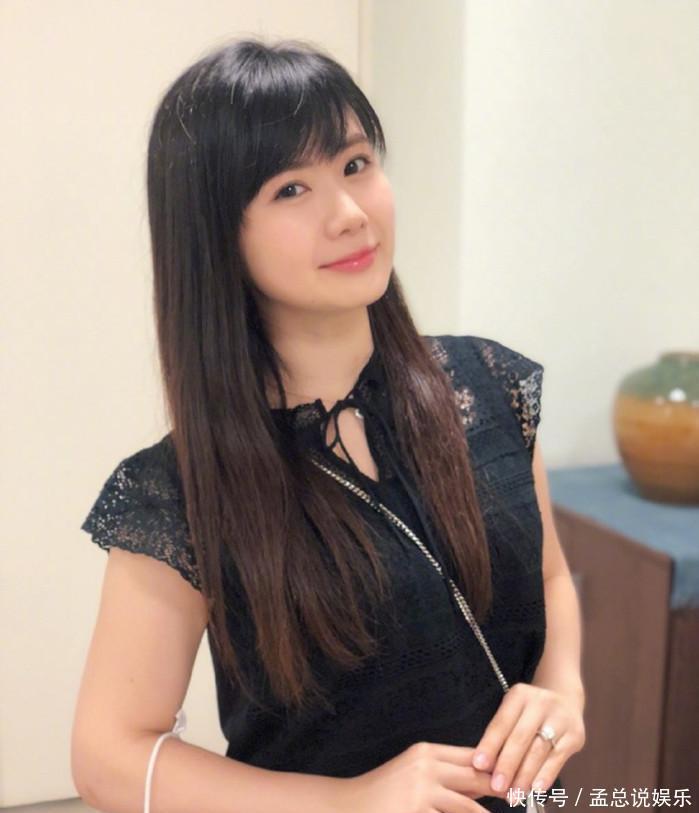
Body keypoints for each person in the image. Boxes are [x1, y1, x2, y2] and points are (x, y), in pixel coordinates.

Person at [71, 36, 586, 813]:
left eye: (355, 164)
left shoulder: (487, 385)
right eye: (290, 189)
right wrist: (349, 800)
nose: (349, 214)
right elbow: (108, 755)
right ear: (216, 233)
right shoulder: (177, 491)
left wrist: (562, 690)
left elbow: (548, 578)